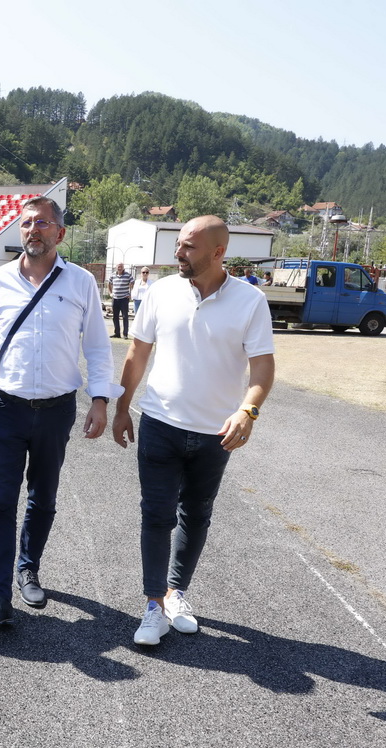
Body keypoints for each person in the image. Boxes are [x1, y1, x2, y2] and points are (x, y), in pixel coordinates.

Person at [112, 215, 275, 646]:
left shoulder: (250, 301)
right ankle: (153, 607)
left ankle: (176, 593)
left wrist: (248, 411)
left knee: (196, 514)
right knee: (156, 513)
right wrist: (122, 405)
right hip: (160, 424)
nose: (178, 254)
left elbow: (263, 367)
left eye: (187, 247)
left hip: (215, 433)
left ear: (218, 252)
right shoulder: (161, 291)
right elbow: (137, 351)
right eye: (179, 244)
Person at [0, 197, 120, 626]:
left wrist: (101, 400)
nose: (33, 230)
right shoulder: (0, 279)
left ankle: (27, 566)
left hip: (56, 409)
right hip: (5, 408)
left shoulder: (81, 282)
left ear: (60, 233)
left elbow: (97, 348)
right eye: (27, 223)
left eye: (43, 224)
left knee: (43, 497)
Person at [108, 261, 134, 338]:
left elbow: (132, 284)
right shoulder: (112, 275)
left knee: (125, 316)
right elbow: (109, 284)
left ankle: (125, 334)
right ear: (116, 267)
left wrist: (131, 294)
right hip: (115, 299)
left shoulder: (128, 275)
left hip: (124, 299)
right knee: (115, 316)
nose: (120, 268)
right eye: (118, 266)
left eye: (121, 266)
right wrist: (110, 293)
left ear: (123, 267)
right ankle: (117, 333)